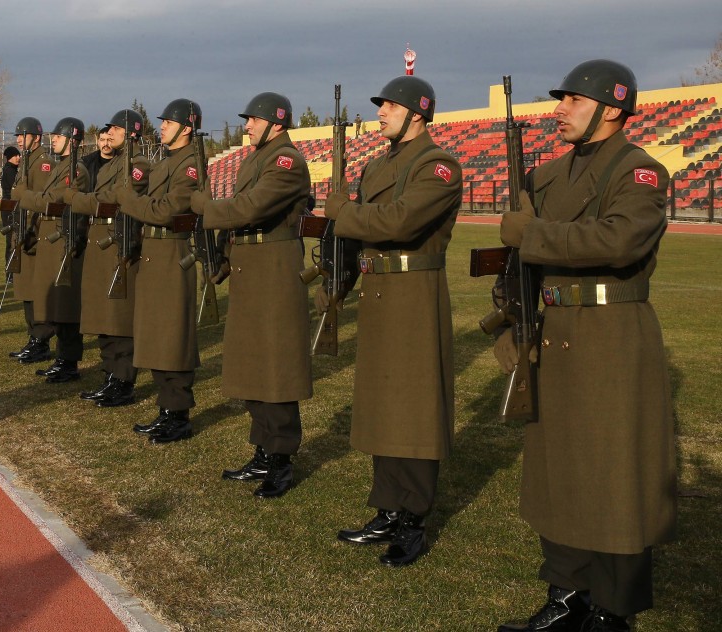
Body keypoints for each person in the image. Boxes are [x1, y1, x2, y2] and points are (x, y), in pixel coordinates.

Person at [494, 60, 676, 632]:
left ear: (611, 109)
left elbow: (619, 241)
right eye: (561, 100)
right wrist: (509, 316)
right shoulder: (545, 176)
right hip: (553, 331)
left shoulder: (640, 172)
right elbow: (517, 261)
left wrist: (532, 234)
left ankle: (612, 607)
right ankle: (566, 593)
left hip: (611, 335)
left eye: (572, 100)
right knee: (558, 469)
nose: (559, 110)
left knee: (615, 471)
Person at [326, 76, 462, 566]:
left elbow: (399, 221)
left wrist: (343, 214)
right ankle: (387, 507)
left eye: (390, 106)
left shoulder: (439, 165)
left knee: (415, 409)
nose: (381, 112)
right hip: (380, 289)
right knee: (384, 403)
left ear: (417, 114)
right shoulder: (380, 163)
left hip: (413, 292)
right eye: (381, 105)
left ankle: (413, 518)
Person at [190, 92, 312, 498]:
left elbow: (250, 209)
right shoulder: (258, 157)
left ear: (276, 123)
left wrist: (205, 207)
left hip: (274, 271)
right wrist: (223, 257)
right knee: (253, 365)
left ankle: (281, 460)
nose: (247, 125)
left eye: (254, 120)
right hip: (250, 265)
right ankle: (263, 450)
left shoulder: (286, 161)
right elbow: (242, 220)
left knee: (275, 368)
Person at [112, 99, 202, 443]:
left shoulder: (191, 165)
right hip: (154, 252)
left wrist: (129, 201)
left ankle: (178, 416)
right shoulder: (168, 162)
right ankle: (167, 411)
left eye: (168, 122)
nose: (161, 126)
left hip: (173, 254)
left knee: (172, 337)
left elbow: (167, 209)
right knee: (156, 335)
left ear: (187, 128)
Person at [66, 113, 150, 406]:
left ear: (131, 134)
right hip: (99, 243)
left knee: (120, 317)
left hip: (119, 242)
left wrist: (78, 200)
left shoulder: (138, 164)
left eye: (116, 128)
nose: (109, 132)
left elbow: (116, 197)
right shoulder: (113, 163)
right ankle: (110, 375)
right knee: (103, 315)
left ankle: (123, 381)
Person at [16, 117, 88, 383]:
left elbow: (51, 201)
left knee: (66, 307)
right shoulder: (61, 167)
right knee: (57, 305)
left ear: (72, 139)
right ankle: (62, 359)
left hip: (63, 240)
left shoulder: (76, 170)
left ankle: (68, 362)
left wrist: (25, 195)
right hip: (51, 239)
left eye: (58, 136)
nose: (53, 139)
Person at [7, 117, 57, 364]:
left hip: (34, 236)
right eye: (17, 135)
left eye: (22, 135)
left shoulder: (43, 164)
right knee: (26, 289)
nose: (18, 139)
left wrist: (32, 234)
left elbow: (41, 202)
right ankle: (33, 337)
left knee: (37, 290)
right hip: (23, 233)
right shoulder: (26, 161)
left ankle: (41, 339)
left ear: (36, 137)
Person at [0, 146, 22, 266]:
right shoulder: (10, 171)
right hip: (10, 206)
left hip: (7, 205)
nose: (19, 158)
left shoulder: (8, 169)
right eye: (16, 156)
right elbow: (15, 190)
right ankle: (10, 270)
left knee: (11, 240)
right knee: (11, 240)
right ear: (10, 158)